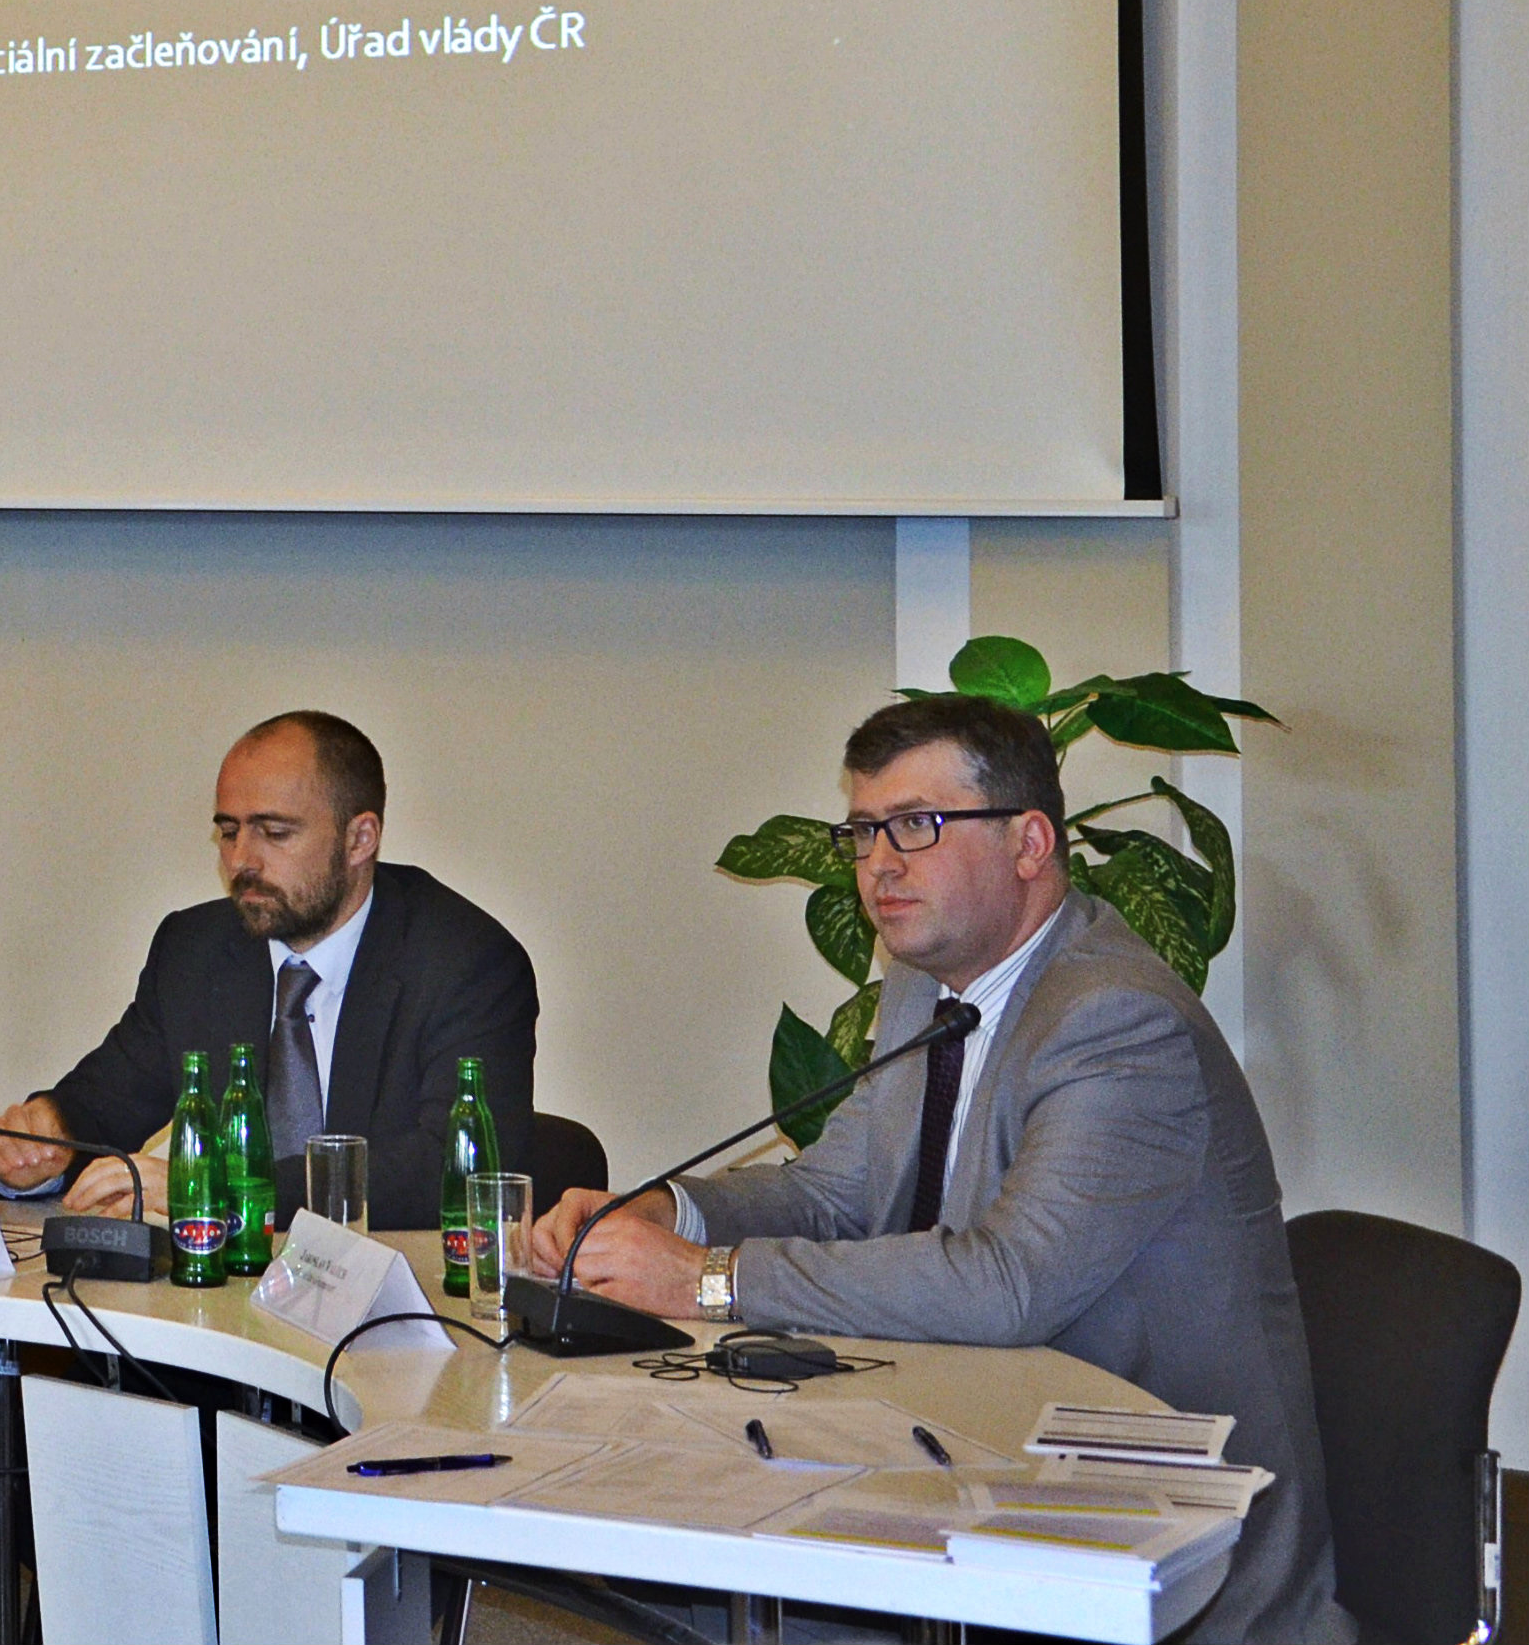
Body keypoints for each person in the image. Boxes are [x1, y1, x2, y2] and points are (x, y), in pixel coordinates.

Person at [524, 695, 1347, 1645]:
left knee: (729, 1591)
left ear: (1029, 842)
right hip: (982, 1460)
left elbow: (1008, 1285)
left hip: (1149, 1543)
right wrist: (668, 1214)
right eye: (864, 830)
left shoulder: (1117, 1021)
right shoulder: (925, 987)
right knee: (684, 1552)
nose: (880, 862)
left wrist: (703, 1281)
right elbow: (834, 1192)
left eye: (916, 825)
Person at [0, 711, 536, 1226]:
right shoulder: (195, 951)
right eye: (229, 832)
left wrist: (220, 1190)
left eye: (274, 833)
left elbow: (451, 1166)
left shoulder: (466, 963)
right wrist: (43, 1144)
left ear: (359, 839)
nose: (240, 861)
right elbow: (105, 1105)